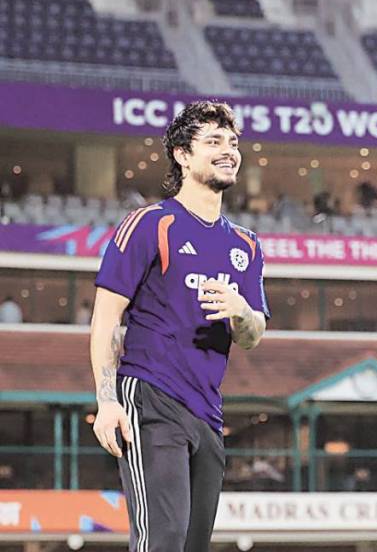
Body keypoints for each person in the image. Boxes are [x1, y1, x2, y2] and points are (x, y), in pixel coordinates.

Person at [89, 101, 269, 552]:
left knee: (191, 544)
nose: (228, 150)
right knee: (162, 538)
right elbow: (106, 317)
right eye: (213, 141)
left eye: (233, 142)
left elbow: (252, 336)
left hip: (207, 412)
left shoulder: (246, 245)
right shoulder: (151, 224)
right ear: (182, 155)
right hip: (150, 396)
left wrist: (240, 310)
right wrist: (106, 400)